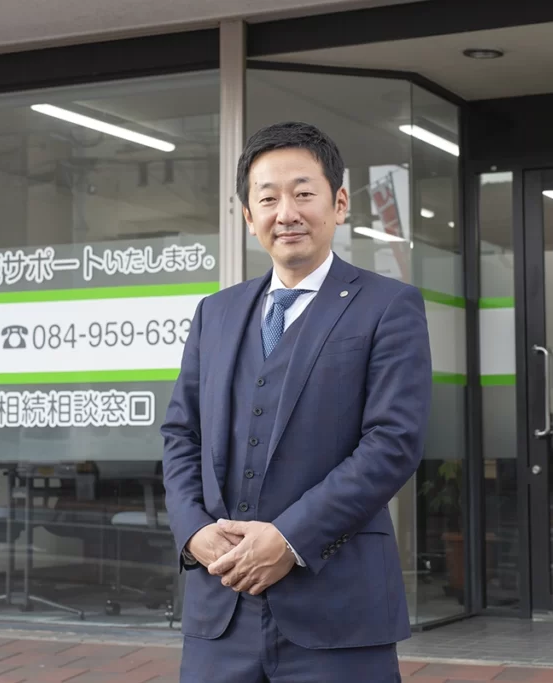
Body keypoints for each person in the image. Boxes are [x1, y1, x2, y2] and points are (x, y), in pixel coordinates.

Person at [161, 121, 432, 683]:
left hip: (337, 608)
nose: (286, 212)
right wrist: (193, 531)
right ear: (248, 216)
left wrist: (288, 539)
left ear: (339, 203)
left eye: (304, 193)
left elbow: (393, 442)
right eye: (268, 199)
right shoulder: (216, 313)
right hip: (221, 605)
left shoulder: (388, 305)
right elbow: (181, 434)